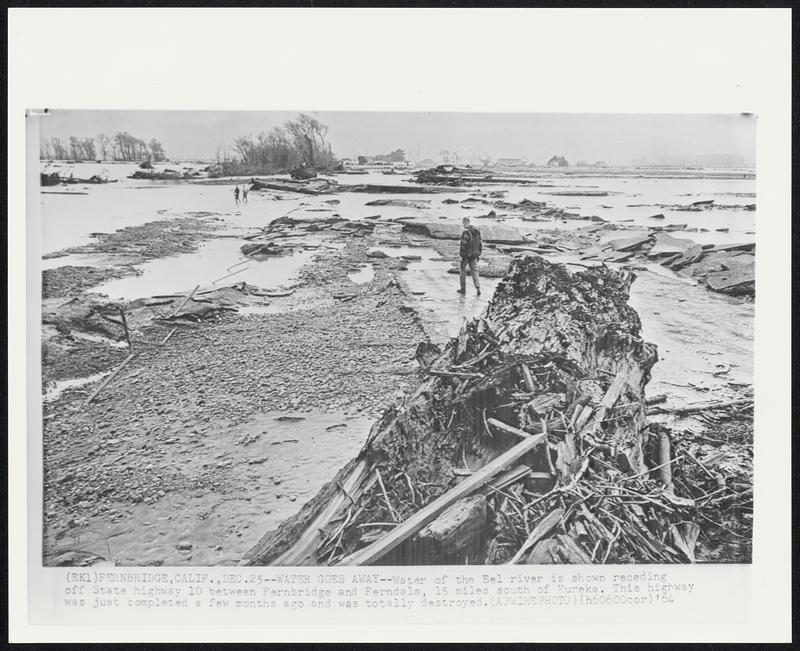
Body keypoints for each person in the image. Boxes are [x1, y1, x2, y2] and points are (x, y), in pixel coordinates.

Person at [457, 216, 482, 296]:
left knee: (462, 270)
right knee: (474, 271)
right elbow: (480, 244)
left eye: (463, 222)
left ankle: (463, 289)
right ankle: (478, 288)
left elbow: (463, 244)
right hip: (474, 255)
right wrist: (478, 254)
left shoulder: (466, 232)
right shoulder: (477, 231)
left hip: (466, 255)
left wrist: (462, 255)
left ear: (464, 223)